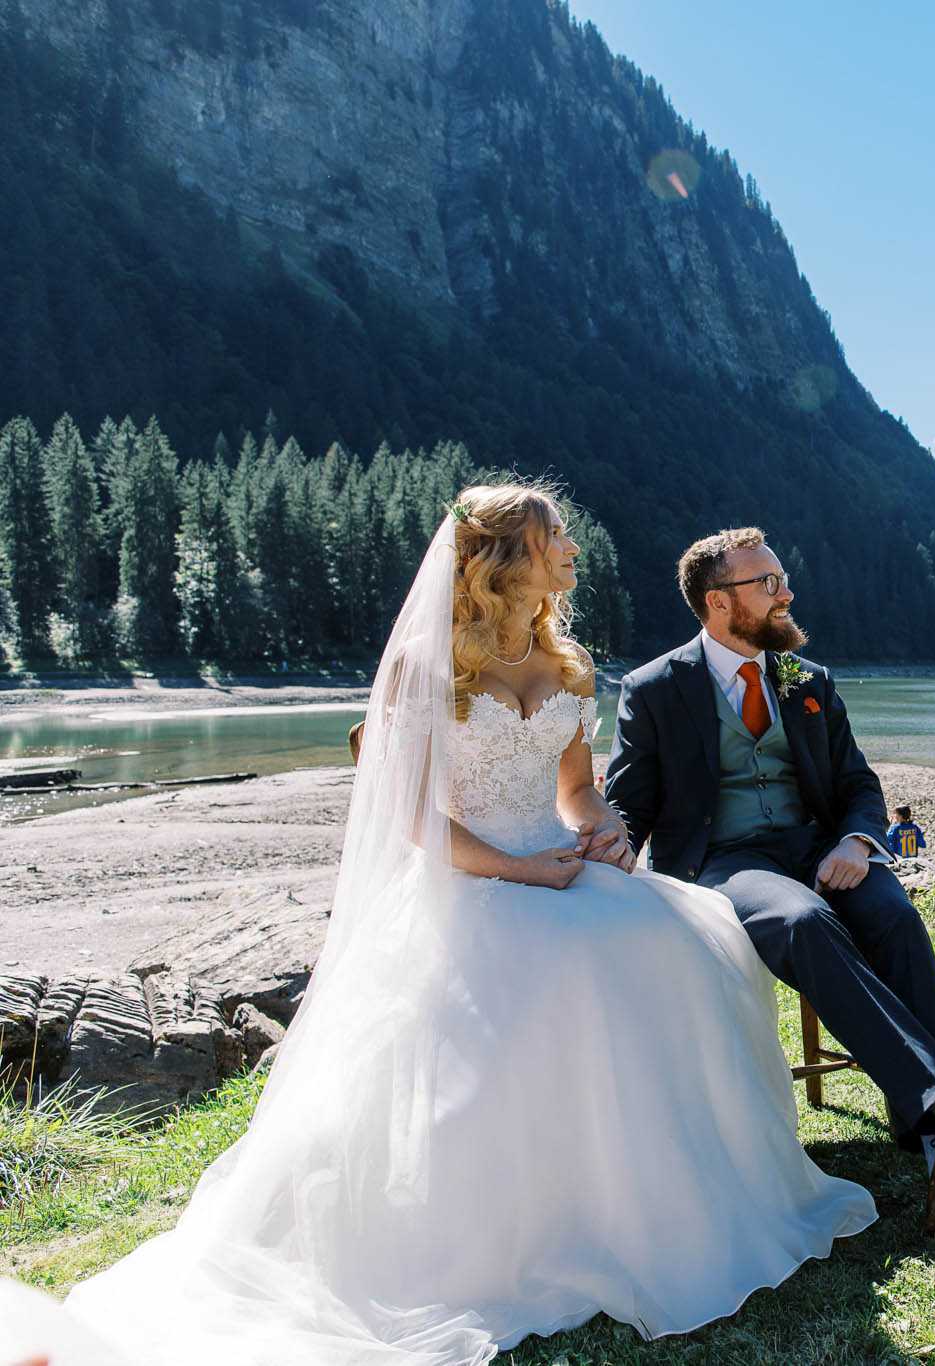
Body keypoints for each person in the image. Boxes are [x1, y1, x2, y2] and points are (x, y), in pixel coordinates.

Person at [50, 483, 877, 1362]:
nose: (572, 548)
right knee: (562, 973)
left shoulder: (567, 662)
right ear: (502, 560)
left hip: (552, 864)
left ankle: (659, 1195)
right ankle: (518, 1226)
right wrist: (518, 869)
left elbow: (574, 789)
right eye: (554, 535)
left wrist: (600, 830)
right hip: (466, 878)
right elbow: (410, 816)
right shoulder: (428, 669)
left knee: (680, 940)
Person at [604, 528, 935, 1234]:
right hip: (723, 863)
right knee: (803, 921)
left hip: (818, 849)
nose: (787, 595)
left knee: (895, 916)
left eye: (782, 579)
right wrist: (607, 849)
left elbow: (856, 783)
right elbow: (628, 803)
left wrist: (856, 840)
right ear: (719, 603)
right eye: (768, 585)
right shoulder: (655, 689)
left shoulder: (807, 680)